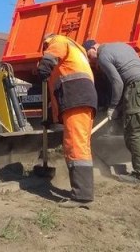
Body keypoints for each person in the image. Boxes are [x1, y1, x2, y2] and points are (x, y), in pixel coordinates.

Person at [83, 40, 140, 184]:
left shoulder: (103, 56)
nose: (91, 60)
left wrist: (112, 106)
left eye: (89, 55)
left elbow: (117, 82)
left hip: (137, 87)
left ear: (94, 48)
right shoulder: (122, 46)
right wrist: (121, 104)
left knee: (135, 132)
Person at [37, 34, 97, 208]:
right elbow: (59, 90)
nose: (46, 50)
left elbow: (51, 56)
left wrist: (45, 64)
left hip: (76, 97)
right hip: (83, 98)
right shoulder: (76, 52)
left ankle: (81, 196)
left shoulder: (58, 41)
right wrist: (51, 119)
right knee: (82, 145)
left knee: (75, 145)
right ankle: (83, 191)